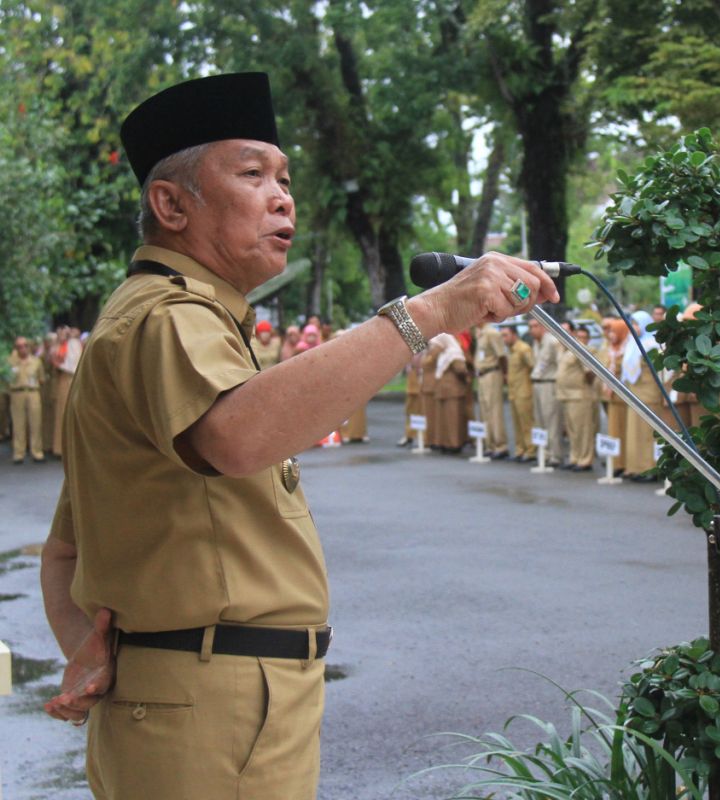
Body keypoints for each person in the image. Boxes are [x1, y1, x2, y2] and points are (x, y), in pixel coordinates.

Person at [37, 72, 558, 798]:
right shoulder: (168, 315)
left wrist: (82, 649)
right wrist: (426, 315)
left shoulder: (168, 317)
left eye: (285, 177)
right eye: (251, 173)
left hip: (207, 695)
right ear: (170, 204)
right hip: (212, 705)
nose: (282, 197)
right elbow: (236, 436)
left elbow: (65, 549)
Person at [622, 310, 664, 481]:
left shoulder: (652, 344)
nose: (634, 327)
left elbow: (662, 372)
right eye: (632, 324)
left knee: (648, 434)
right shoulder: (632, 343)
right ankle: (635, 467)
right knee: (635, 433)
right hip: (635, 394)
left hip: (649, 394)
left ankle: (650, 469)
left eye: (637, 324)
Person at [556, 322, 599, 470]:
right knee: (573, 430)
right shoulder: (566, 349)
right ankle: (575, 457)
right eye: (578, 336)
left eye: (583, 337)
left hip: (580, 395)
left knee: (583, 430)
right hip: (567, 395)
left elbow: (589, 372)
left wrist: (586, 383)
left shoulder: (583, 349)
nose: (580, 339)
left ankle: (585, 460)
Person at [529, 318, 565, 466]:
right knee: (540, 420)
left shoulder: (552, 341)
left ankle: (555, 455)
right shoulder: (536, 343)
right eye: (530, 326)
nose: (532, 329)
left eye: (536, 326)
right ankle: (545, 453)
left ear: (544, 327)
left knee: (552, 421)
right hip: (537, 384)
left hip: (549, 384)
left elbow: (560, 362)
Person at [7, 336, 46, 463]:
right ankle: (19, 453)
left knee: (35, 423)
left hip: (33, 392)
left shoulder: (36, 361)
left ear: (29, 347)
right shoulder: (10, 361)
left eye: (25, 346)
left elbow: (42, 378)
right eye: (19, 346)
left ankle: (37, 452)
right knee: (18, 423)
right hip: (17, 392)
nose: (22, 349)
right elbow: (6, 379)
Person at [474, 322, 508, 458]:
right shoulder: (480, 333)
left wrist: (505, 374)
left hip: (492, 373)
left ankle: (500, 446)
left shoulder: (492, 333)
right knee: (484, 411)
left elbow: (501, 355)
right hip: (482, 375)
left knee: (494, 410)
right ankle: (490, 445)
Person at [501, 325, 535, 462]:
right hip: (513, 391)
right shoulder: (510, 350)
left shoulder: (523, 349)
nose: (503, 339)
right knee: (516, 423)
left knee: (526, 423)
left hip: (524, 391)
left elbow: (532, 366)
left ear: (514, 335)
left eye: (505, 335)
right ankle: (520, 449)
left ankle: (531, 450)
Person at [600, 317, 629, 476]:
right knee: (614, 430)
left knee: (624, 430)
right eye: (609, 331)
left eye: (613, 331)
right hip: (610, 397)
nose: (610, 335)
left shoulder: (627, 349)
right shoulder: (611, 348)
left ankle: (624, 462)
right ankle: (616, 462)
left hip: (622, 397)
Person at [433, 332, 471, 451]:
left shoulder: (446, 355)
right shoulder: (454, 353)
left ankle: (445, 442)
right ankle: (453, 444)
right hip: (453, 390)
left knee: (446, 418)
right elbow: (460, 369)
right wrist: (467, 377)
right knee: (452, 419)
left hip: (444, 390)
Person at [50, 325, 82, 458]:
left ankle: (74, 448)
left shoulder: (75, 344)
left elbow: (75, 363)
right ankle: (59, 448)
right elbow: (53, 360)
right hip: (63, 379)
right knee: (61, 413)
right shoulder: (58, 345)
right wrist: (59, 341)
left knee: (74, 413)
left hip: (73, 378)